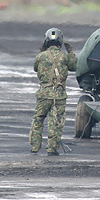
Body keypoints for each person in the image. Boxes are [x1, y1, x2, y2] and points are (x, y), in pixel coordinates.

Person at [30, 27, 77, 155]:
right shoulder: (65, 57)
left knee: (38, 120)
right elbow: (74, 66)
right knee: (55, 122)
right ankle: (52, 149)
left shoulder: (40, 56)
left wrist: (43, 54)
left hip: (44, 94)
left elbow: (36, 68)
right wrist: (71, 52)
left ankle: (35, 147)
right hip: (59, 95)